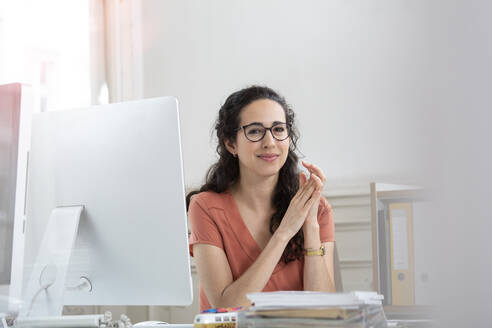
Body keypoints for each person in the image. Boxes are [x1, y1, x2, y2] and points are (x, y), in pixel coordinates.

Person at [186, 86, 335, 311]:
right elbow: (226, 308)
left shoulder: (317, 208)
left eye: (278, 129)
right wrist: (284, 232)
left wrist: (310, 227)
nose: (270, 142)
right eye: (255, 131)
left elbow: (325, 312)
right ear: (231, 144)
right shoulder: (205, 207)